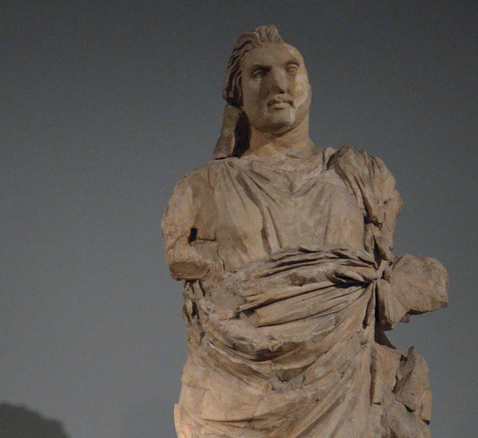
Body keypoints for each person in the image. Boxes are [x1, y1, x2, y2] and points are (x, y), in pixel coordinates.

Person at [162, 26, 447, 437]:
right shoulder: (200, 190)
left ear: (308, 83)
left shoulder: (360, 177)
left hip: (346, 393)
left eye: (291, 69)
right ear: (237, 94)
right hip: (233, 398)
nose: (279, 84)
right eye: (259, 74)